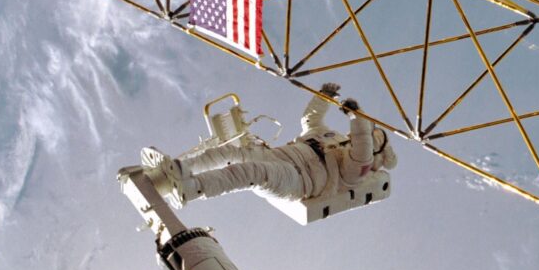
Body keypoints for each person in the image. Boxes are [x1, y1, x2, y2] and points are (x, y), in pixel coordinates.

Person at [143, 83, 397, 206]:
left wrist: (358, 118)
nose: (361, 137)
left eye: (370, 138)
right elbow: (311, 120)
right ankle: (180, 169)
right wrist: (325, 96)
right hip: (280, 156)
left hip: (298, 181)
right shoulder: (329, 137)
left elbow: (361, 154)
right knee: (231, 152)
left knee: (253, 173)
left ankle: (192, 189)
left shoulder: (357, 171)